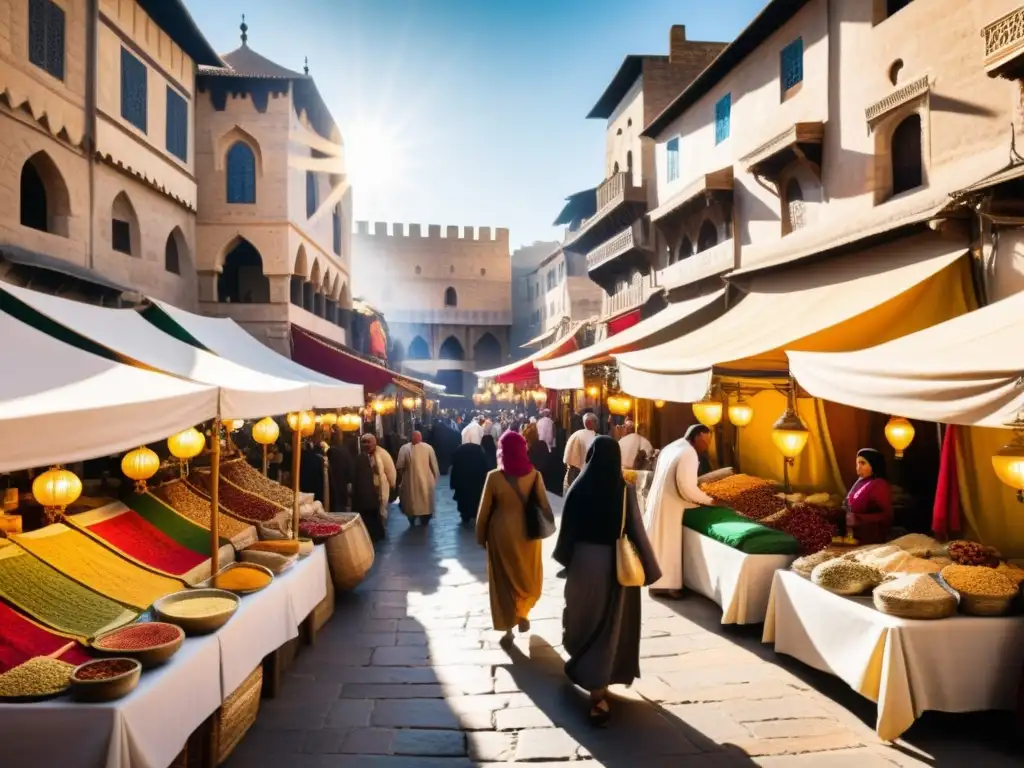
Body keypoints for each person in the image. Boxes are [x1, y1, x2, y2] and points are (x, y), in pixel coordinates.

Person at [554, 436, 661, 726]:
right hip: (613, 567)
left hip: (581, 564)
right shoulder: (623, 491)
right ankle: (598, 694)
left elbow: (567, 531)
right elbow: (636, 531)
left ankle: (584, 669)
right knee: (608, 627)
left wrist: (566, 561)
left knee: (581, 619)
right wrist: (651, 570)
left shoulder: (578, 488)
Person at [476, 431, 551, 644]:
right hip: (528, 534)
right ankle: (523, 613)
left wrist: (481, 536)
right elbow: (544, 505)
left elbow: (484, 511)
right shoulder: (534, 475)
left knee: (503, 581)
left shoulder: (493, 477)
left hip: (501, 534)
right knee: (526, 575)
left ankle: (508, 627)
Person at [645, 425, 715, 599]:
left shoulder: (673, 446)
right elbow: (687, 487)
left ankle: (656, 583)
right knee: (668, 545)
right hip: (671, 503)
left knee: (659, 544)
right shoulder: (689, 453)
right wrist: (710, 501)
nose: (706, 446)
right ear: (697, 436)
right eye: (706, 441)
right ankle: (668, 586)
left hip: (660, 500)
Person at [351, 433, 396, 542]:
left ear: (375, 443)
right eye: (364, 442)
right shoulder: (361, 456)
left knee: (381, 511)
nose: (366, 444)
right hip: (368, 491)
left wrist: (392, 485)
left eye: (368, 442)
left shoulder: (382, 454)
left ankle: (380, 532)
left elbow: (391, 471)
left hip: (380, 488)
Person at [844, 448, 894, 544]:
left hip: (869, 535)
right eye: (857, 463)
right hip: (851, 531)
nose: (858, 467)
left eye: (863, 463)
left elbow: (887, 516)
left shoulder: (880, 485)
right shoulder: (861, 482)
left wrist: (858, 519)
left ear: (874, 465)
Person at [396, 431, 440, 526]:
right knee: (415, 500)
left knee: (422, 500)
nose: (417, 438)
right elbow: (400, 465)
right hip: (410, 480)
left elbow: (433, 464)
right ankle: (414, 517)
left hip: (425, 480)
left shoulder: (428, 448)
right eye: (415, 437)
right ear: (411, 438)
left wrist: (434, 478)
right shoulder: (405, 448)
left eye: (418, 436)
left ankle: (424, 517)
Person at [450, 439, 489, 523]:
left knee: (463, 500)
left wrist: (453, 484)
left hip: (462, 482)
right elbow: (484, 466)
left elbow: (455, 469)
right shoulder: (479, 452)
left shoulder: (459, 452)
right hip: (476, 482)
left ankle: (465, 515)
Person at [563, 412, 599, 494]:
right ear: (590, 423)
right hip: (584, 478)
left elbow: (568, 460)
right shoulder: (596, 438)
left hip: (571, 477)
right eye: (595, 422)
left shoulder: (575, 434)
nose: (597, 424)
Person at [327, 430, 356, 511]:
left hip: (334, 482)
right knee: (342, 503)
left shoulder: (330, 451)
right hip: (343, 482)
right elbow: (349, 466)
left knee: (336, 503)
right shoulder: (345, 450)